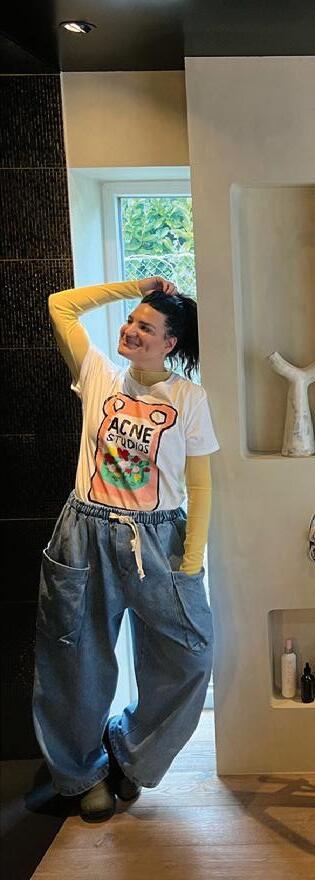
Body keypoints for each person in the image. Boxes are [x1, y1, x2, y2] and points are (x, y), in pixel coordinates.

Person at [33, 276, 219, 822]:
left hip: (159, 540)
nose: (131, 330)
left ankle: (129, 755)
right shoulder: (99, 375)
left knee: (190, 655)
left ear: (170, 344)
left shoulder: (188, 399)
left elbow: (201, 484)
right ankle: (81, 773)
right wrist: (137, 286)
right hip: (86, 533)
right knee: (74, 656)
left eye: (146, 327)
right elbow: (60, 306)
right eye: (131, 321)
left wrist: (191, 561)